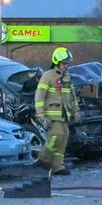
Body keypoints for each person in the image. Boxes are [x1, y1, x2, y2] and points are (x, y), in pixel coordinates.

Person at [34, 47, 80, 175]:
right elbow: (39, 96)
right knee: (56, 136)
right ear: (57, 62)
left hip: (64, 115)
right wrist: (41, 115)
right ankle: (43, 159)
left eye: (67, 63)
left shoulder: (67, 78)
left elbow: (73, 95)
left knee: (63, 139)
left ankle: (57, 166)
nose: (66, 66)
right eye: (64, 63)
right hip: (52, 115)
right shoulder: (47, 76)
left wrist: (76, 110)